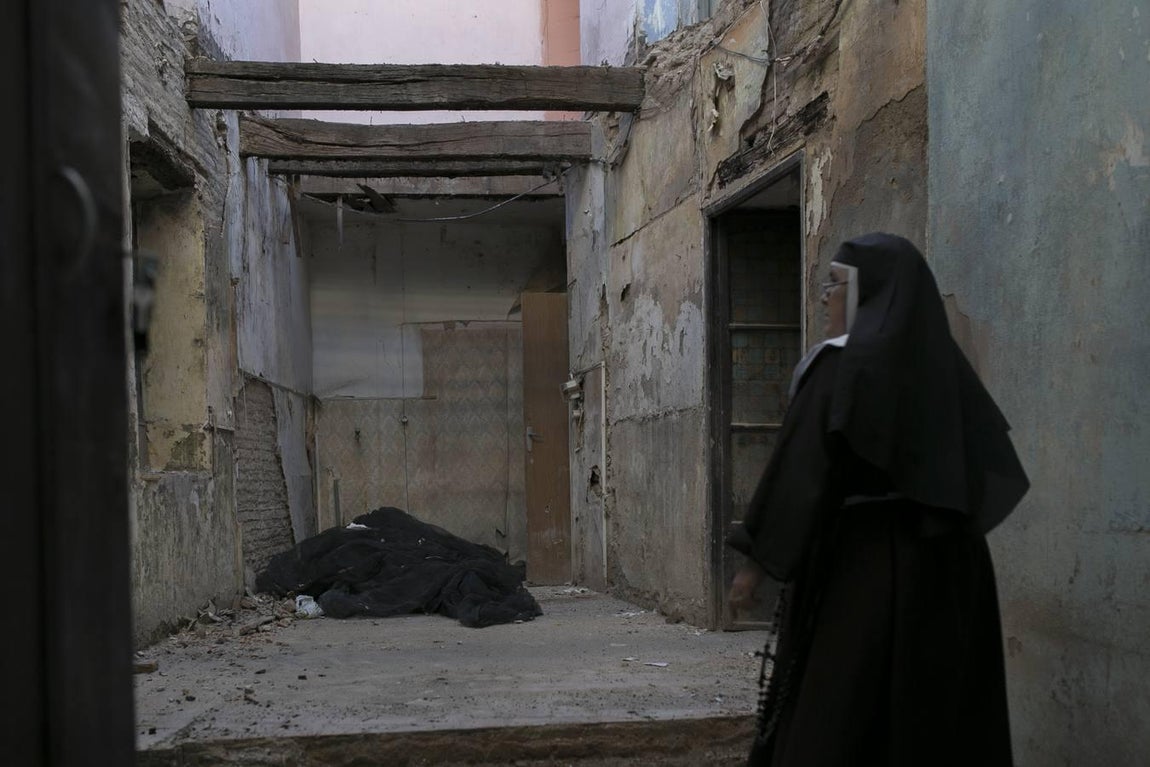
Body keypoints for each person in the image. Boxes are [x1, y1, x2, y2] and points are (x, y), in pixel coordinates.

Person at [727, 233, 1029, 767]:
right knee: (934, 718)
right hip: (950, 574)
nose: (825, 297)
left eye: (837, 285)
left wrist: (754, 567)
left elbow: (801, 471)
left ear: (874, 296)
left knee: (842, 712)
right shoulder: (945, 374)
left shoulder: (841, 368)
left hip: (860, 572)